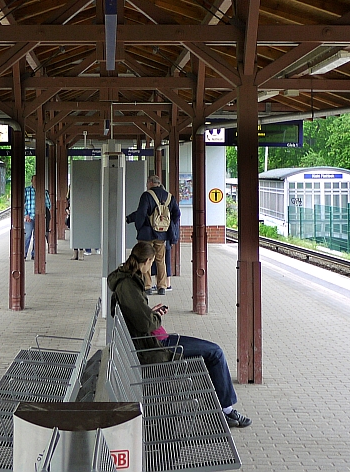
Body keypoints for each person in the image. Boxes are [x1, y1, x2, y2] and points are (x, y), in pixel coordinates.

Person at [108, 241, 252, 429]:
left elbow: (140, 317)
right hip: (156, 347)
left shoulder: (127, 280)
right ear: (148, 260)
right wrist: (155, 316)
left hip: (154, 341)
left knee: (213, 351)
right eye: (151, 263)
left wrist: (151, 313)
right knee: (215, 353)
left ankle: (220, 408)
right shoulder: (128, 285)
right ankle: (225, 410)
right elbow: (145, 323)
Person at [126, 173, 179, 295]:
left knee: (146, 259)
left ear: (150, 183)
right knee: (160, 260)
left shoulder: (146, 195)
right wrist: (168, 225)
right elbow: (177, 214)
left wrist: (139, 227)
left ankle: (147, 286)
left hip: (146, 234)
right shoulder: (169, 197)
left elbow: (141, 213)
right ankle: (162, 287)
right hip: (161, 234)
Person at [23, 174, 51, 260]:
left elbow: (48, 205)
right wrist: (25, 214)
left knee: (37, 236)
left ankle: (34, 254)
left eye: (37, 180)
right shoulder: (26, 190)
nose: (36, 182)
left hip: (40, 217)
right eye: (34, 180)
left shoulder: (44, 191)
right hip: (29, 217)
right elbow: (22, 204)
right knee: (27, 235)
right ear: (31, 181)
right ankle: (24, 253)